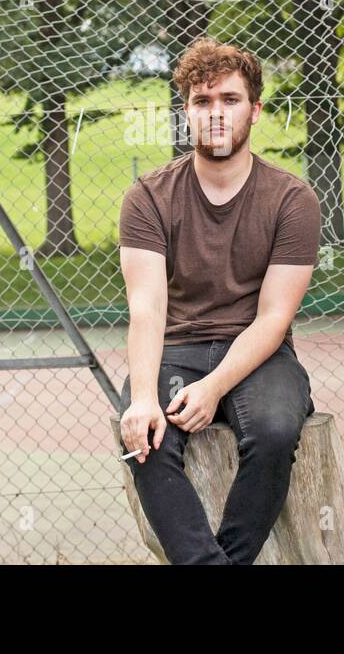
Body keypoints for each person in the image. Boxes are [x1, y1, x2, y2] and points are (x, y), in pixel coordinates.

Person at [116, 36, 322, 565]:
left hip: (257, 351)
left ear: (254, 110)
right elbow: (147, 308)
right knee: (148, 439)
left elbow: (274, 317)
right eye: (202, 102)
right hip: (176, 347)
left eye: (229, 100)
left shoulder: (292, 199)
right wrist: (143, 397)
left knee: (276, 431)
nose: (216, 114)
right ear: (185, 111)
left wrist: (213, 387)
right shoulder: (148, 197)